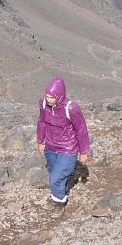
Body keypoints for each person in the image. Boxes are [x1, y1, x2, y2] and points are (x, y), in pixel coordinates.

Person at [36, 75, 90, 210]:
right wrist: (40, 140)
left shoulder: (71, 108)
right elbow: (42, 122)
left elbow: (81, 130)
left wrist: (84, 151)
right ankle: (59, 194)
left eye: (52, 97)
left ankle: (59, 202)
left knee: (55, 178)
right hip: (50, 145)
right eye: (47, 96)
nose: (48, 100)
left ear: (59, 95)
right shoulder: (43, 103)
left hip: (68, 147)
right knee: (55, 173)